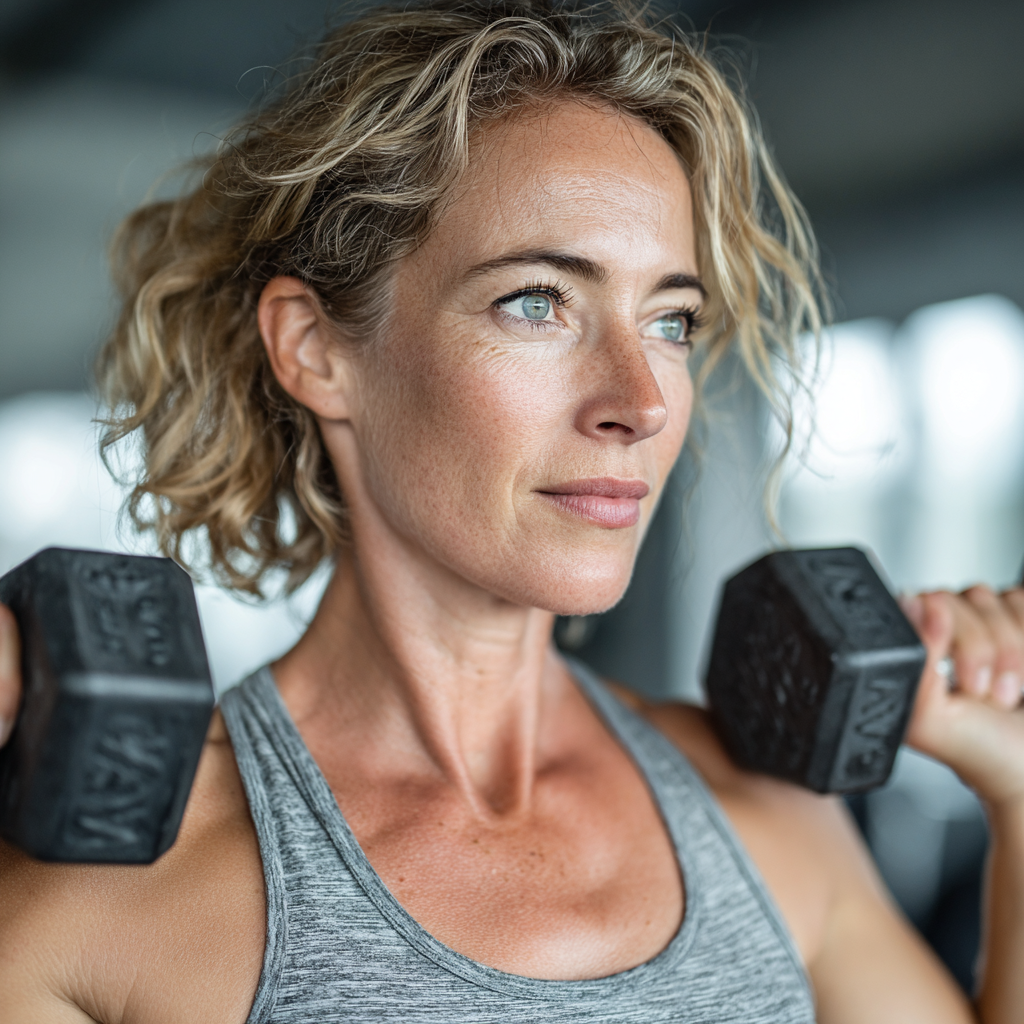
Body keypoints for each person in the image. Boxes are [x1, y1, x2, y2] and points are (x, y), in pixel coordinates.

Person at [1, 1, 1023, 1020]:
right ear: (316, 348)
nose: (642, 400)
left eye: (670, 320)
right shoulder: (120, 889)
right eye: (537, 301)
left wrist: (1016, 792)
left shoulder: (765, 816)